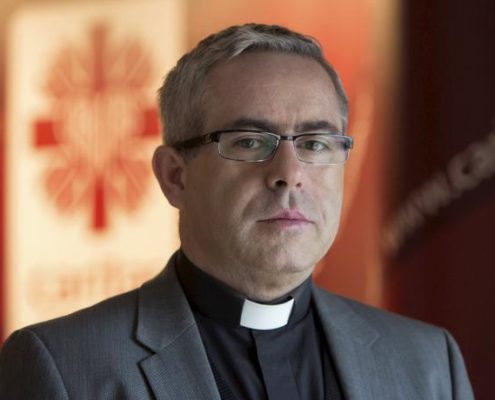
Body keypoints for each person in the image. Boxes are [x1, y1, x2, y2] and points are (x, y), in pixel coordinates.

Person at [0, 23, 473, 400]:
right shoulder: (63, 368)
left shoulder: (428, 362)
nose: (289, 173)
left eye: (315, 143)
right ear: (175, 176)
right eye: (249, 142)